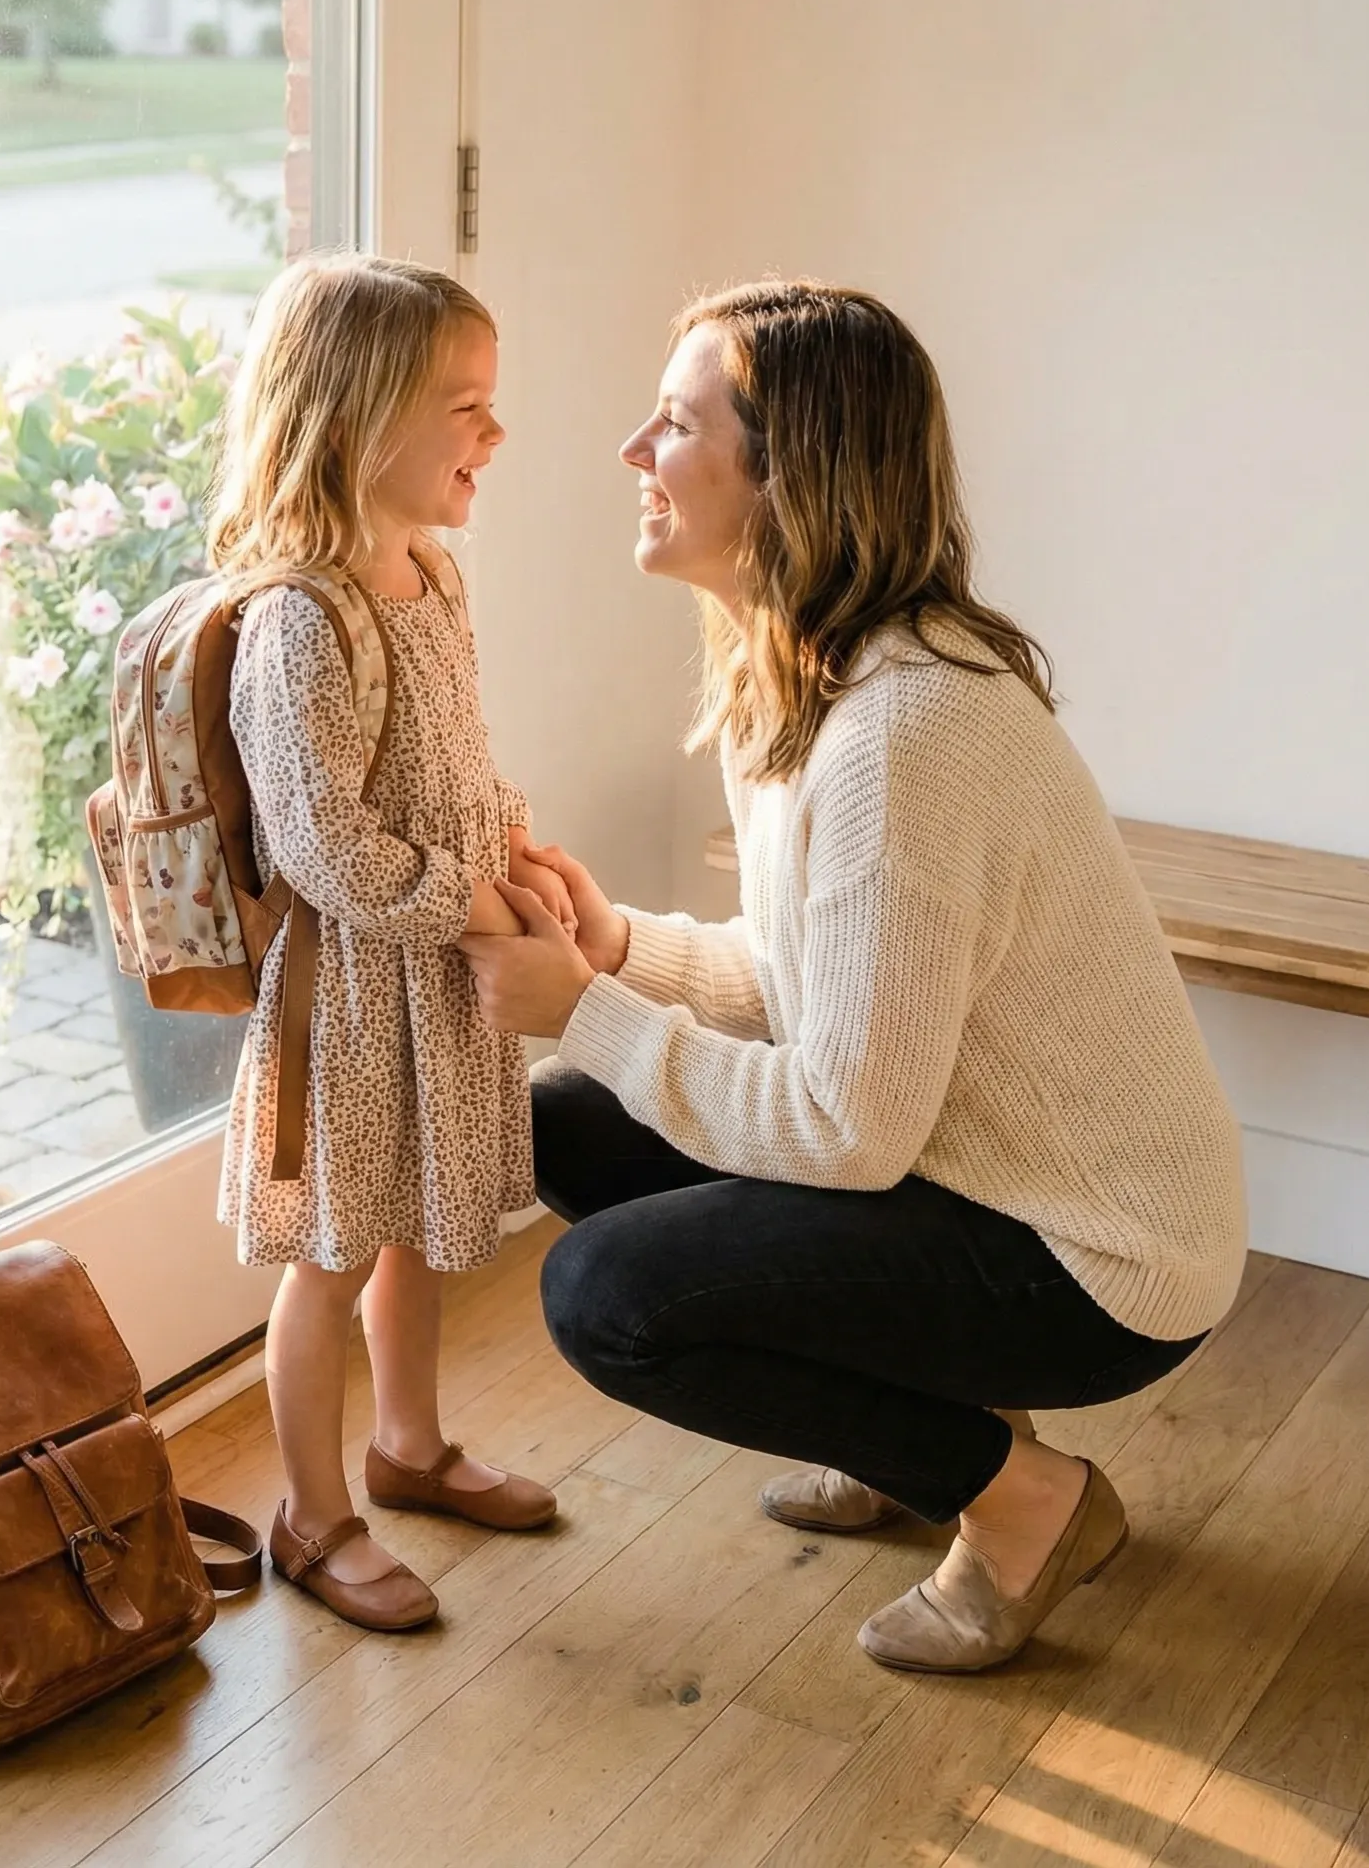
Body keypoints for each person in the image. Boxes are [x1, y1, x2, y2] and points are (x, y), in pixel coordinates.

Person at [460, 280, 1247, 1673]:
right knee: (559, 1115)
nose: (633, 451)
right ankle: (905, 1437)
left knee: (609, 1298)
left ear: (789, 476)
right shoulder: (815, 676)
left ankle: (1022, 1499)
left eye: (677, 423)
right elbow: (812, 987)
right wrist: (621, 951)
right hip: (969, 1174)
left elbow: (846, 1125)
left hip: (1097, 1258)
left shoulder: (906, 733)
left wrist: (585, 1002)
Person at [211, 254, 571, 1633]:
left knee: (421, 1224)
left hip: (433, 972)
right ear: (360, 421)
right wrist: (480, 908)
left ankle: (408, 1450)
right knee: (339, 1249)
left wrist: (520, 851)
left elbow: (459, 772)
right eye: (468, 407)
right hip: (354, 996)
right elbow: (326, 848)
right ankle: (310, 1515)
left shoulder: (432, 575)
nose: (497, 433)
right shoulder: (304, 619)